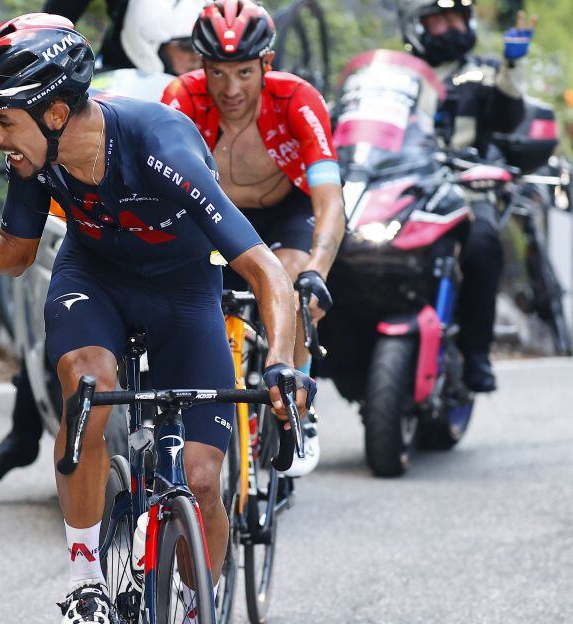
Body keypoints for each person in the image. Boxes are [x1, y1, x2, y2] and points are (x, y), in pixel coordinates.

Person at [0, 13, 314, 622]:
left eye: (2, 120)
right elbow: (15, 252)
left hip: (182, 289)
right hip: (95, 278)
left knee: (203, 479)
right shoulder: (34, 160)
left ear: (54, 113)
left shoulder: (162, 145)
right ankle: (85, 581)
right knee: (87, 387)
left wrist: (284, 365)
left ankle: (197, 604)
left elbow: (267, 272)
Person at [0, 0, 206, 483]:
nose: (197, 63)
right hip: (84, 133)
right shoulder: (79, 104)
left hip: (180, 243)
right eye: (186, 51)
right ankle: (26, 425)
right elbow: (52, 23)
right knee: (72, 337)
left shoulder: (206, 86)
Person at [161, 0, 346, 476]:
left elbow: (329, 199)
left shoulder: (298, 99)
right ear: (202, 66)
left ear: (266, 63)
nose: (231, 88)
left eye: (244, 72)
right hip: (212, 214)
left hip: (284, 211)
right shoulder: (181, 96)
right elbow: (158, 190)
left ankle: (297, 405)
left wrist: (315, 273)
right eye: (218, 73)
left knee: (293, 285)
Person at [397, 0, 536, 391]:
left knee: (482, 243)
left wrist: (513, 66)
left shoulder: (485, 71)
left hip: (465, 188)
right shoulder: (398, 74)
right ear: (419, 26)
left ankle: (476, 353)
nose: (451, 26)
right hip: (402, 186)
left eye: (457, 17)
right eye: (440, 19)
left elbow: (509, 117)